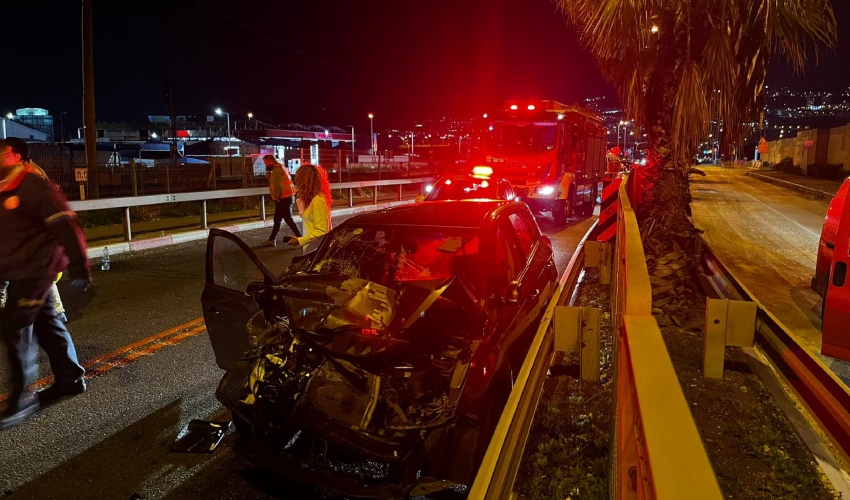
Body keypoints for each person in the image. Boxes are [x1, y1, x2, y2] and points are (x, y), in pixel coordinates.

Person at [0, 139, 91, 430]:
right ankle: (70, 379)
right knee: (46, 322)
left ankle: (23, 399)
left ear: (14, 156)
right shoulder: (5, 188)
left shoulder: (33, 185)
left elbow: (64, 225)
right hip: (18, 269)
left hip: (37, 269)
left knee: (15, 327)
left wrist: (80, 269)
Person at [3, 138, 68, 322]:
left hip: (32, 236)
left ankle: (56, 312)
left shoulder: (31, 174)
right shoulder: (18, 172)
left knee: (37, 274)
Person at [286, 164, 332, 253]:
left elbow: (322, 231)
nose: (297, 183)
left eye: (299, 180)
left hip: (317, 249)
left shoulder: (318, 200)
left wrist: (299, 240)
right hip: (311, 247)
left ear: (305, 181)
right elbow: (304, 215)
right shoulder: (311, 199)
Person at [261, 155, 301, 247]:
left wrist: (277, 198)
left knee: (288, 219)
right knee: (277, 219)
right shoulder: (280, 167)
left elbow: (278, 186)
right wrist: (268, 170)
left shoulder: (277, 169)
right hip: (285, 197)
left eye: (266, 163)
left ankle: (300, 238)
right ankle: (271, 239)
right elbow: (270, 180)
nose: (266, 165)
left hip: (283, 198)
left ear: (270, 161)